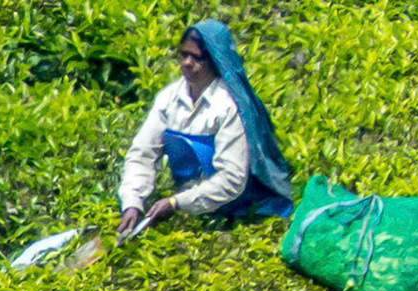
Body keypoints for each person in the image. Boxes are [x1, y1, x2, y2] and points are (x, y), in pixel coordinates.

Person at [118, 21, 294, 237]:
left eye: (197, 58)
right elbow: (142, 153)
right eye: (183, 55)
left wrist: (176, 203)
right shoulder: (169, 99)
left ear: (214, 61)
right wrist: (133, 201)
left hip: (233, 207)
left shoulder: (227, 106)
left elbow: (232, 179)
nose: (187, 63)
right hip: (190, 199)